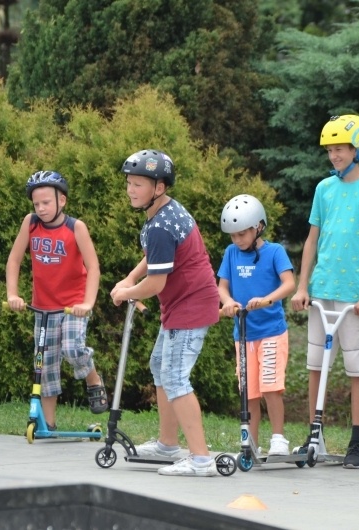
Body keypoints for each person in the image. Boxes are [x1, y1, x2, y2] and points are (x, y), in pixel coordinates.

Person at [290, 114, 359, 469]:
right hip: (322, 289)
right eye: (330, 150)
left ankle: (356, 441)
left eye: (341, 149)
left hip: (355, 297)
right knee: (315, 365)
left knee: (356, 369)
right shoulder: (324, 189)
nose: (334, 156)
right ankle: (313, 435)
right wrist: (303, 286)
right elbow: (312, 240)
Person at [110, 149, 220, 477]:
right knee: (160, 366)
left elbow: (156, 283)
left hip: (190, 306)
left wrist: (126, 292)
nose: (131, 189)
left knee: (174, 377)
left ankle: (201, 459)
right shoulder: (165, 213)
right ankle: (168, 445)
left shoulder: (159, 224)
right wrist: (131, 276)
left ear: (159, 187)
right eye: (129, 182)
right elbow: (157, 258)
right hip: (183, 305)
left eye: (139, 184)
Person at [6, 170, 107, 429]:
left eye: (46, 203)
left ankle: (93, 379)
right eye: (36, 204)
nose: (40, 208)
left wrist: (88, 304)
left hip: (73, 306)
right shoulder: (30, 224)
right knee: (45, 365)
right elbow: (14, 260)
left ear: (62, 200)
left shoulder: (76, 227)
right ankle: (48, 424)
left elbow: (93, 267)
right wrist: (13, 295)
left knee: (72, 349)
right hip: (43, 308)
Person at [217, 194, 295, 456]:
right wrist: (227, 302)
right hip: (243, 334)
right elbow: (223, 286)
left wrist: (267, 300)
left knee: (271, 387)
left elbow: (289, 284)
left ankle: (278, 439)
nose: (237, 240)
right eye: (233, 235)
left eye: (242, 233)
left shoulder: (275, 252)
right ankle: (250, 442)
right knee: (248, 392)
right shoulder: (231, 254)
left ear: (258, 226)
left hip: (271, 331)